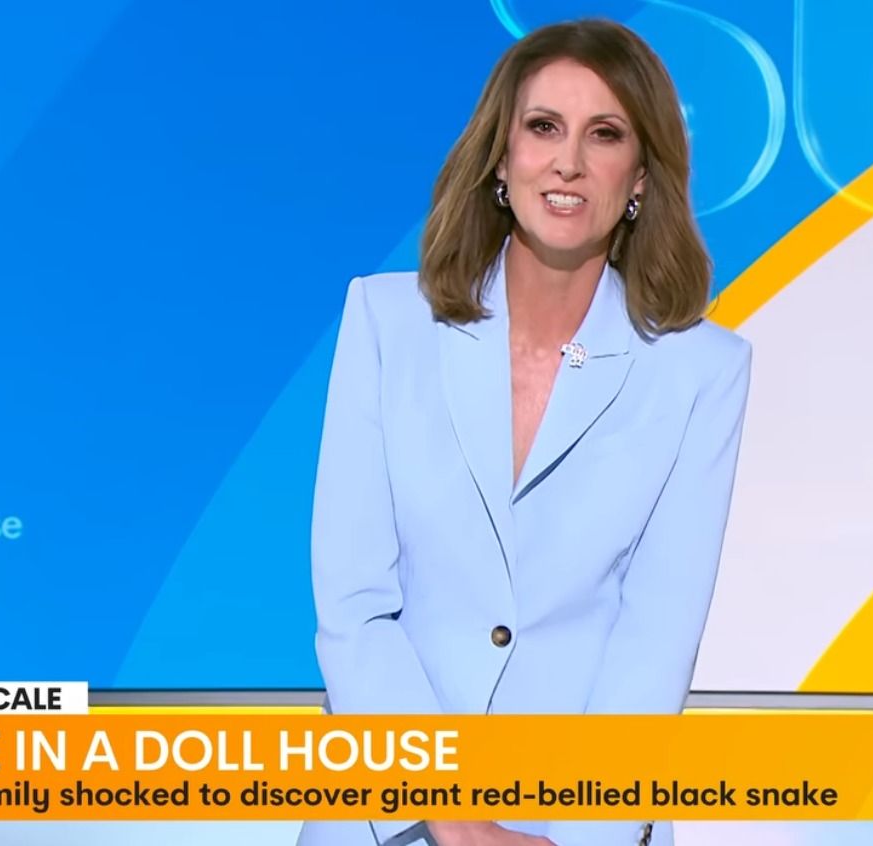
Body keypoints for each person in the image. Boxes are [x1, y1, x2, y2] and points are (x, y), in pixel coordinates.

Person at [299, 18, 752, 846]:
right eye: (543, 127)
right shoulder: (386, 322)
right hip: (391, 815)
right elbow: (355, 605)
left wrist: (571, 838)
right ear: (501, 160)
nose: (567, 162)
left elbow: (656, 634)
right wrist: (454, 818)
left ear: (640, 176)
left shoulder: (701, 370)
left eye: (603, 134)